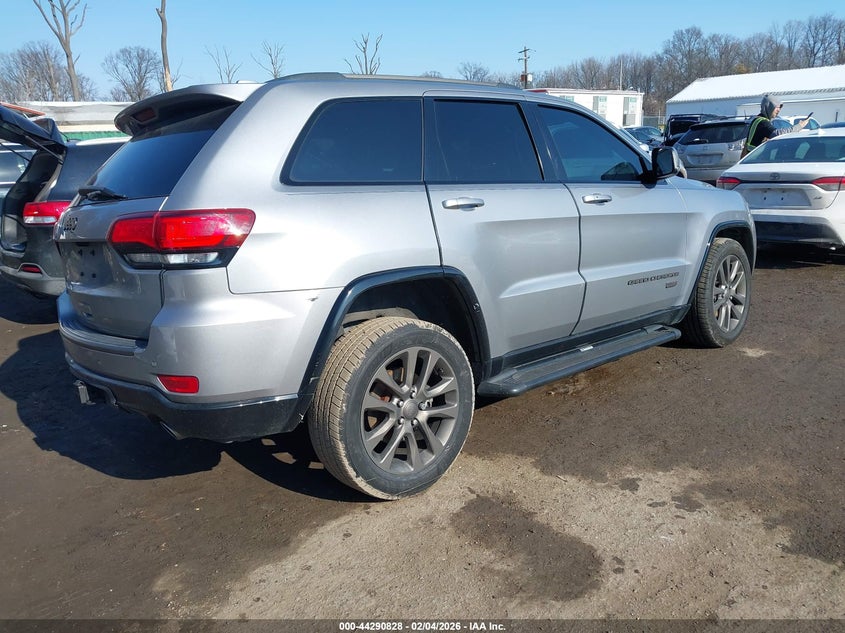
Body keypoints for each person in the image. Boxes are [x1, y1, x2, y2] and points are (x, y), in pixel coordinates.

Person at [743, 95, 809, 156]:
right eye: (777, 107)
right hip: (756, 159)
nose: (779, 110)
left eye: (780, 107)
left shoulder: (757, 120)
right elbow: (778, 134)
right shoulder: (762, 122)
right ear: (769, 107)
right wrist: (800, 126)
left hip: (751, 158)